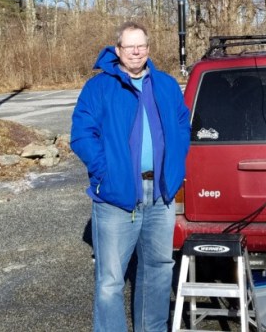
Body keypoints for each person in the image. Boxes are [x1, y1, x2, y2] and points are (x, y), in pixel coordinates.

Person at [71, 21, 191, 332]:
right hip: (116, 197)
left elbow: (181, 127)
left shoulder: (165, 85)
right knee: (111, 281)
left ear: (148, 49)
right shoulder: (99, 88)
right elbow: (82, 135)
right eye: (129, 46)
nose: (136, 51)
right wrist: (105, 174)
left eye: (141, 45)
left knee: (158, 270)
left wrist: (175, 167)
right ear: (117, 50)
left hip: (160, 195)